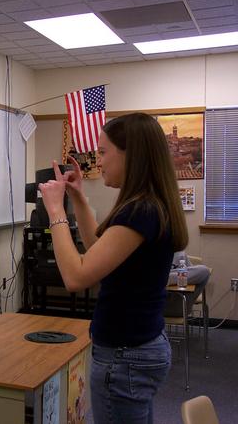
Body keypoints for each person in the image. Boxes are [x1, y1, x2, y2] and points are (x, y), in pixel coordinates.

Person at [38, 113, 188, 424]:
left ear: (131, 154)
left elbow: (76, 276)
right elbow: (97, 252)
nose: (98, 162)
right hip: (140, 346)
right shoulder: (149, 204)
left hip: (125, 357)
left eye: (103, 152)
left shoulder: (140, 210)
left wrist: (55, 210)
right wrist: (78, 197)